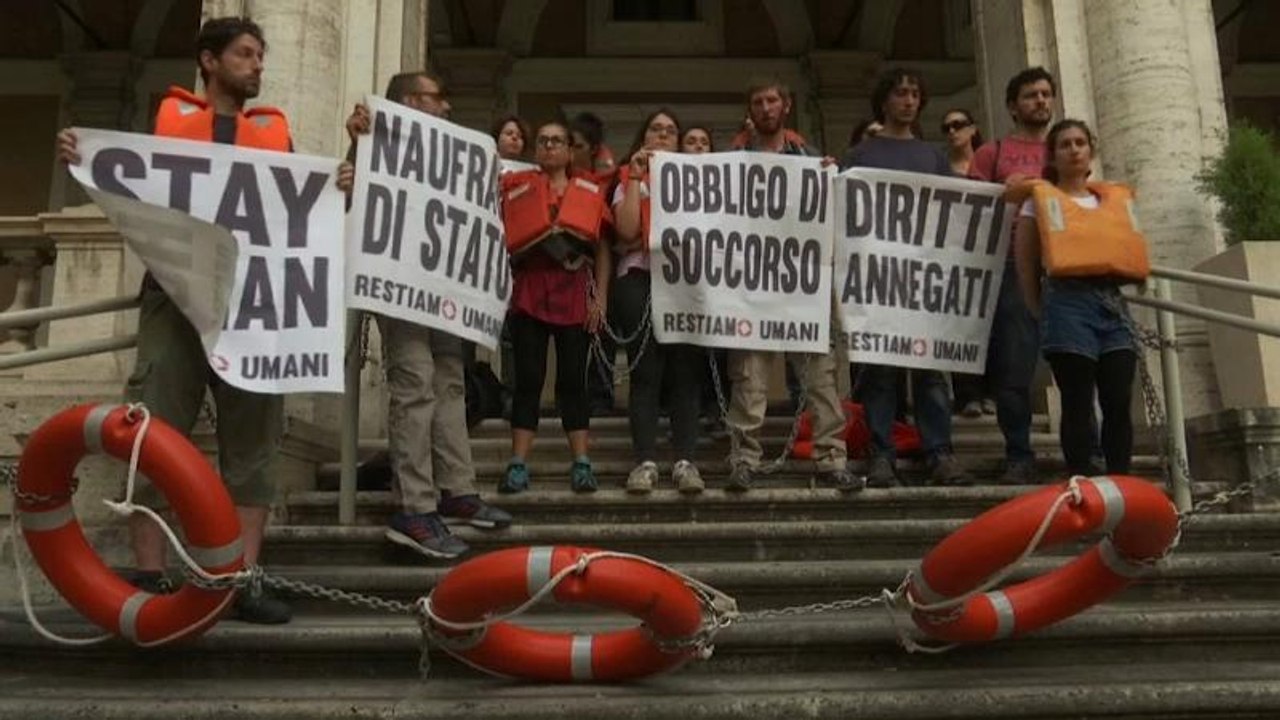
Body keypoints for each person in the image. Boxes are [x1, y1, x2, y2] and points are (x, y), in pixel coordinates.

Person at [55, 17, 352, 624]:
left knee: (255, 442)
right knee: (152, 430)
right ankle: (147, 570)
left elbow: (303, 206)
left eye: (262, 55)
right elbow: (132, 194)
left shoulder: (275, 136)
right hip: (174, 295)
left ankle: (242, 578)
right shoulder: (167, 129)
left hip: (257, 304)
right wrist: (84, 158)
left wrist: (339, 179)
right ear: (210, 61)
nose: (258, 65)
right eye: (245, 54)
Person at [344, 72, 513, 561]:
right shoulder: (375, 139)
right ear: (410, 101)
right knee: (415, 384)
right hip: (398, 285)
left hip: (443, 286)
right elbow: (358, 192)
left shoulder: (452, 152)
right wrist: (359, 142)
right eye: (438, 97)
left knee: (450, 382)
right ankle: (414, 506)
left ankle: (457, 489)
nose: (447, 106)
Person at [723, 78, 860, 493]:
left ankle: (831, 457)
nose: (766, 108)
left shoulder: (811, 159)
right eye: (758, 102)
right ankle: (744, 459)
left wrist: (829, 180)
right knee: (749, 378)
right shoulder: (732, 161)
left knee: (822, 377)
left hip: (804, 286)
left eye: (772, 100)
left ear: (786, 106)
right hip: (753, 288)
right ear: (750, 112)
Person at [842, 68, 971, 489]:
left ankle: (940, 452)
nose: (909, 100)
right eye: (900, 92)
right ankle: (883, 453)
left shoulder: (933, 157)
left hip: (923, 282)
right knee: (880, 372)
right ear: (885, 100)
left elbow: (954, 213)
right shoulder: (861, 156)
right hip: (879, 281)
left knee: (931, 373)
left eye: (915, 93)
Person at [1014, 120, 1137, 476]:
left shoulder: (1110, 200)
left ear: (1091, 152)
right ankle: (1080, 479)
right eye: (1065, 144)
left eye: (1080, 143)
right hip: (1066, 302)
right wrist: (1038, 307)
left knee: (1118, 400)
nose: (1073, 149)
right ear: (1052, 155)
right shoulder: (1038, 202)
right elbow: (1025, 261)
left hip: (1112, 304)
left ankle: (1120, 481)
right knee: (1078, 401)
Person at [500, 120, 613, 494]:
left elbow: (602, 250)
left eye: (557, 141)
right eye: (543, 141)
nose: (549, 147)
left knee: (573, 383)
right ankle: (517, 464)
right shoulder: (515, 188)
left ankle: (581, 462)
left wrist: (600, 298)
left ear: (569, 150)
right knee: (528, 380)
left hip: (574, 293)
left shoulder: (590, 190)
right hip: (530, 292)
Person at [968, 67, 1058, 485]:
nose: (1040, 101)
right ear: (1012, 106)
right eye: (1030, 96)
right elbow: (967, 209)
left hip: (1067, 270)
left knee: (1078, 368)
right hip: (1009, 268)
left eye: (1045, 94)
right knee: (1013, 369)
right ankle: (1019, 454)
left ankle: (1087, 453)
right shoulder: (992, 152)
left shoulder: (1066, 147)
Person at [613, 109, 705, 494]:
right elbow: (628, 230)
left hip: (687, 281)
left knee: (686, 373)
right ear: (643, 135)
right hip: (640, 280)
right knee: (646, 374)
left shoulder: (702, 182)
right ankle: (645, 462)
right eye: (656, 129)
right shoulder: (626, 179)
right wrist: (635, 177)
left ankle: (685, 462)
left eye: (671, 130)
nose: (663, 135)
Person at [939, 108, 994, 418]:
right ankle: (968, 394)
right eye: (946, 126)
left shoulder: (990, 166)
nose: (951, 131)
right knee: (960, 327)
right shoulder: (940, 170)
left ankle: (991, 392)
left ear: (973, 129)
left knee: (992, 328)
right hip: (953, 258)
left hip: (989, 256)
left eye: (958, 125)